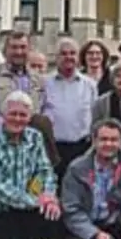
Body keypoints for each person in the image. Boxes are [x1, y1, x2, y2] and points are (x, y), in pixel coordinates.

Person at [0, 91, 62, 239]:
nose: (17, 119)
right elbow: (0, 188)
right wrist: (37, 202)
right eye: (13, 114)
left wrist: (48, 195)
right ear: (3, 114)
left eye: (23, 115)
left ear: (30, 117)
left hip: (28, 213)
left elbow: (45, 170)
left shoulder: (35, 137)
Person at [61, 118, 121, 239]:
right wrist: (95, 234)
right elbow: (71, 210)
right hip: (86, 225)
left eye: (114, 140)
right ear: (94, 141)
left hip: (114, 222)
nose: (109, 144)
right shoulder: (76, 168)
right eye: (104, 139)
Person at [43, 37, 98, 178]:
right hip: (53, 149)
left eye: (72, 53)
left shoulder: (90, 85)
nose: (68, 57)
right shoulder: (44, 84)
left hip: (82, 149)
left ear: (78, 57)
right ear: (56, 57)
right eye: (63, 53)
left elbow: (96, 117)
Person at [0, 31, 46, 132]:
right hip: (0, 138)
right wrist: (10, 127)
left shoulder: (38, 79)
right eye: (14, 47)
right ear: (5, 50)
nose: (18, 52)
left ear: (29, 50)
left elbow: (43, 108)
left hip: (31, 139)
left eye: (23, 47)